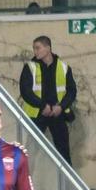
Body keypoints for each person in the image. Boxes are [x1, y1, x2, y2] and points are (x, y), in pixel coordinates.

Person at [20, 35, 77, 164]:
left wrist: (61, 107)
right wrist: (42, 106)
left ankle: (67, 184)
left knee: (64, 153)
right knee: (29, 153)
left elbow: (71, 91)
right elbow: (25, 91)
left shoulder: (64, 67)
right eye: (34, 48)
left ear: (48, 48)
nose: (35, 51)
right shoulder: (30, 67)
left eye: (38, 48)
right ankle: (23, 183)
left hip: (58, 114)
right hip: (37, 114)